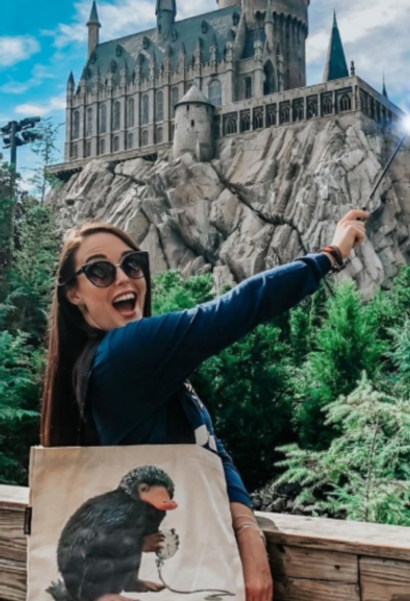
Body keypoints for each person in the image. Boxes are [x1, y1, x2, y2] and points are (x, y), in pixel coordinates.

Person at [40, 210, 369, 601]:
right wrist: (332, 254)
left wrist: (245, 525)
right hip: (191, 568)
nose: (124, 277)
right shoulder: (121, 356)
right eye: (99, 271)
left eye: (132, 264)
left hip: (193, 563)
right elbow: (238, 307)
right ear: (73, 294)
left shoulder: (134, 369)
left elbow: (209, 449)